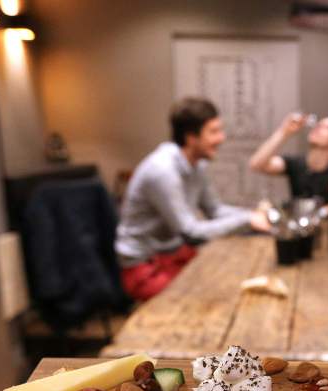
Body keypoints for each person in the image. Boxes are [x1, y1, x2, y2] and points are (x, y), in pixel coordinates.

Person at [115, 97, 270, 301]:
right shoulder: (163, 171)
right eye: (213, 132)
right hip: (145, 266)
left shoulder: (197, 165)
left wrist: (255, 214)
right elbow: (191, 232)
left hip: (173, 254)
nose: (221, 138)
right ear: (190, 138)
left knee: (232, 285)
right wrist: (247, 220)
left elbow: (215, 210)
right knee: (207, 301)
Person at [248, 112, 328, 203]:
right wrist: (284, 131)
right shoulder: (297, 163)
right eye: (319, 124)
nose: (318, 127)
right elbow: (256, 164)